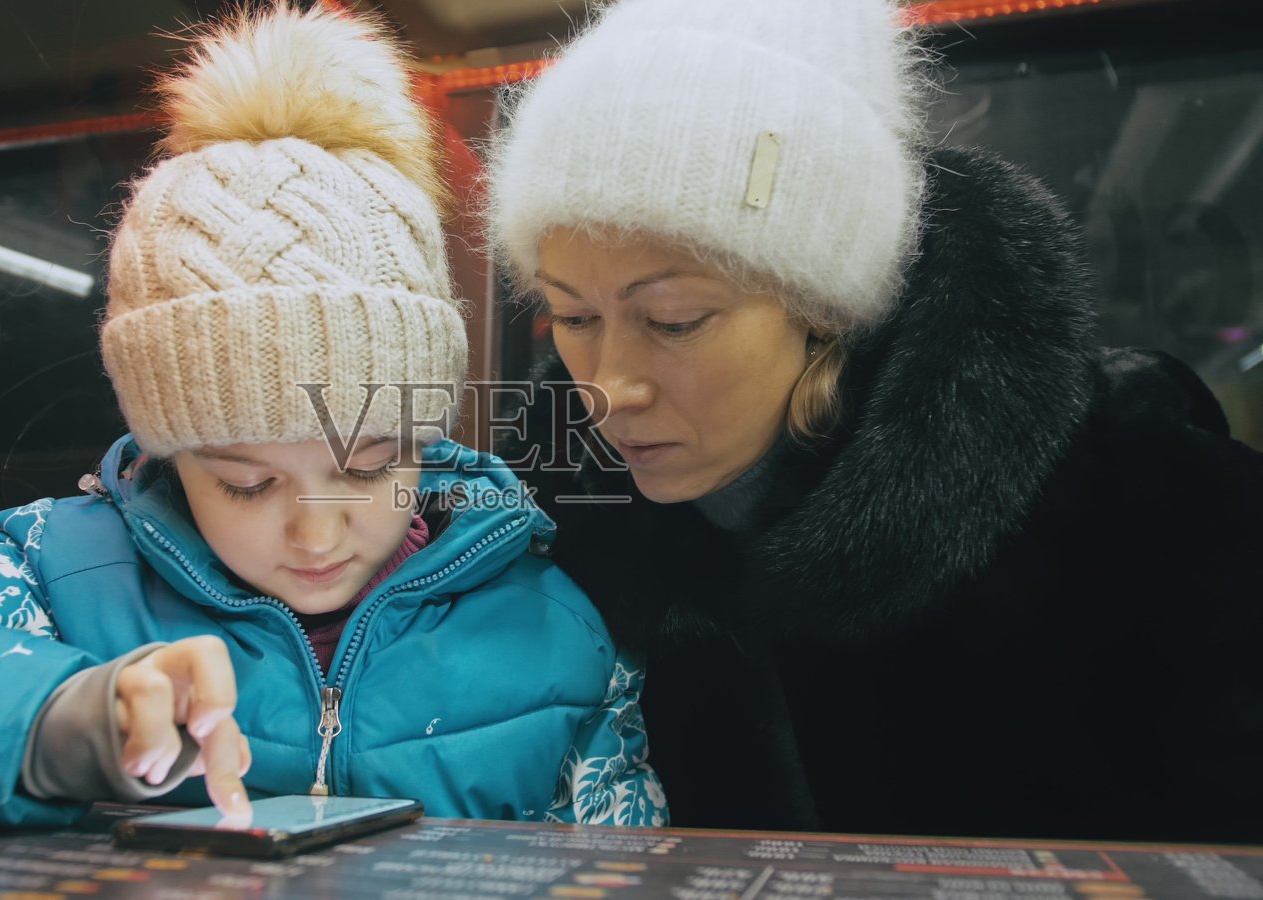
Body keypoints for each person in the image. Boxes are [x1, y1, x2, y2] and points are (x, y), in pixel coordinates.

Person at [0, 2, 665, 829]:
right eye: (245, 481)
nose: (317, 529)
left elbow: (627, 863)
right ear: (169, 451)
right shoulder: (57, 583)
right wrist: (61, 722)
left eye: (367, 465)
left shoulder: (551, 633)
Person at [486, 0, 1263, 842]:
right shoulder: (528, 552)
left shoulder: (1140, 505)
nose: (609, 386)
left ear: (823, 305)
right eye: (571, 317)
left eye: (673, 319)